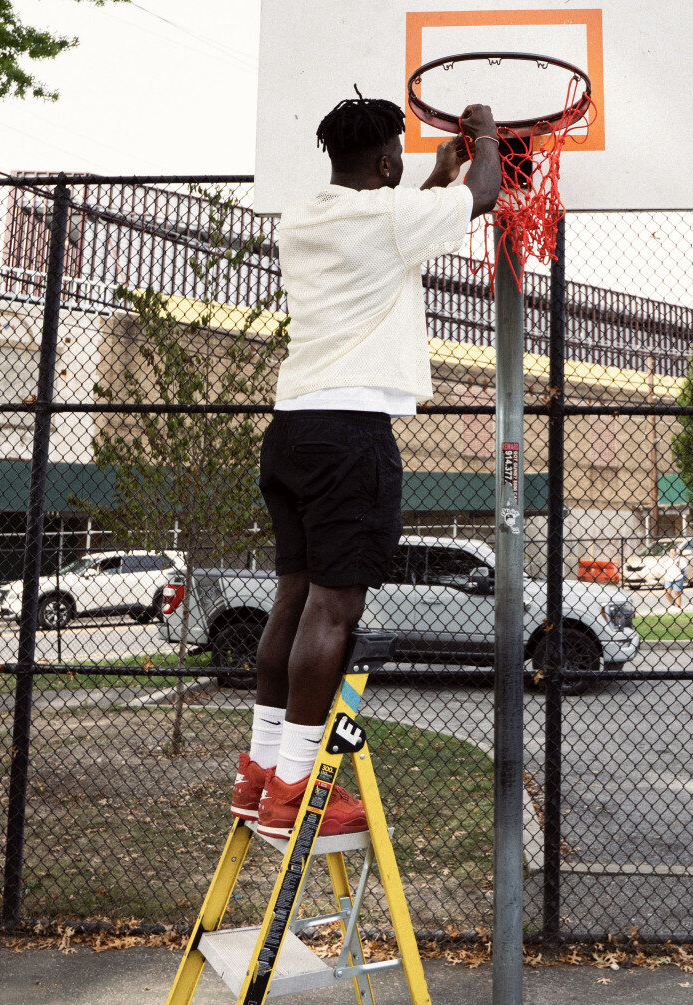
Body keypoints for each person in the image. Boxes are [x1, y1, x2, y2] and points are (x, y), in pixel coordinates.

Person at [231, 95, 502, 839]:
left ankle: (259, 774)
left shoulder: (306, 216)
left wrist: (429, 183)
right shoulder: (387, 218)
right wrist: (481, 134)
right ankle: (295, 791)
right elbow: (484, 194)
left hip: (291, 430)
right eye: (399, 158)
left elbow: (389, 233)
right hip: (350, 434)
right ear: (386, 162)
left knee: (291, 597)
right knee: (334, 610)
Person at [664, 544, 688, 609]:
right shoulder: (667, 559)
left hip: (678, 578)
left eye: (673, 552)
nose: (671, 553)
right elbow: (664, 569)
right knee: (667, 593)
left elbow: (685, 568)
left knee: (677, 592)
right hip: (668, 579)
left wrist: (679, 566)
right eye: (670, 552)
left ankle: (679, 607)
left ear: (676, 552)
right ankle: (673, 605)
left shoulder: (680, 559)